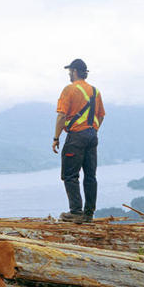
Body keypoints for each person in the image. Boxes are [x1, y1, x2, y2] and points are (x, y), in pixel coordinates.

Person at [52, 59, 105, 222]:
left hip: (76, 136)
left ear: (74, 71)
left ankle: (75, 211)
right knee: (90, 175)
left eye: (70, 71)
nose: (69, 74)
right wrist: (93, 130)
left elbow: (61, 115)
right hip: (91, 135)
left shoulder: (69, 90)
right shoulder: (95, 92)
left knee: (70, 175)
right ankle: (88, 213)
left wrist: (56, 137)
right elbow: (101, 115)